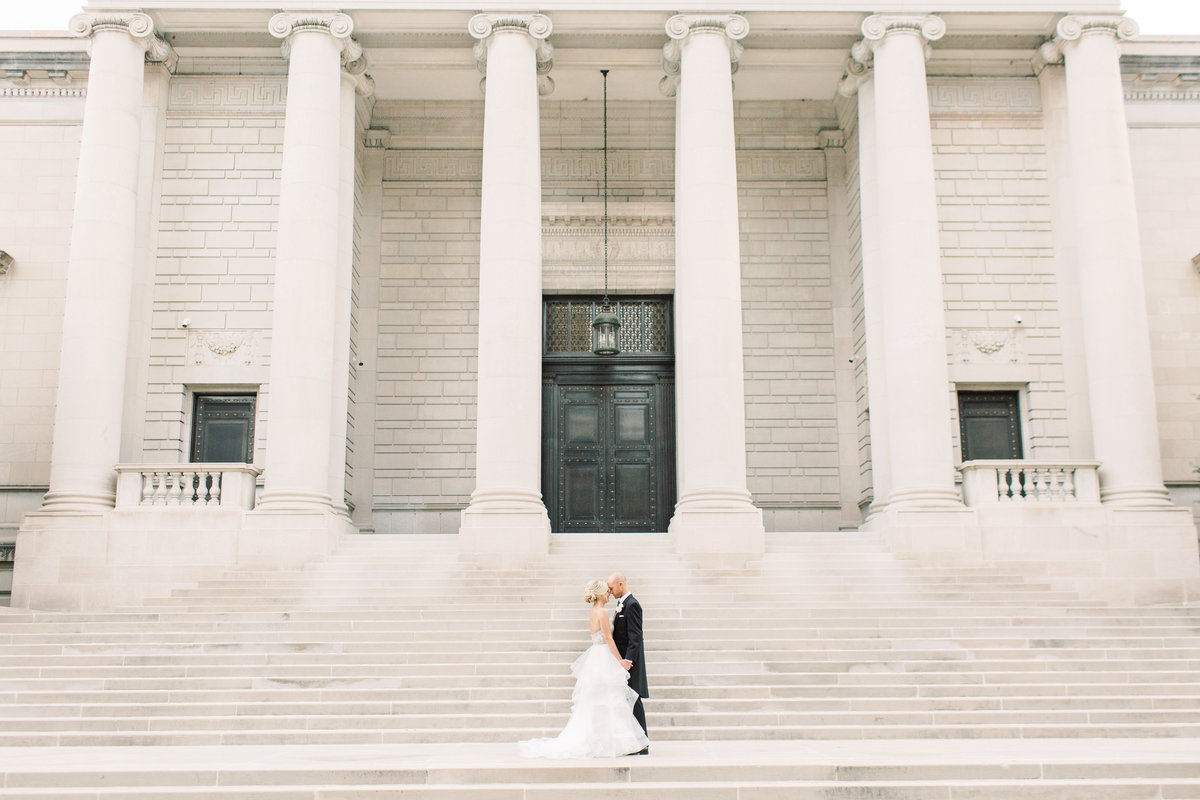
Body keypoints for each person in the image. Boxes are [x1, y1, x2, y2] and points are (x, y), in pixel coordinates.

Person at [518, 578, 650, 759]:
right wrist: (620, 661)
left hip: (596, 655)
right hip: (603, 655)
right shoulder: (602, 612)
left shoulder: (594, 611)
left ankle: (603, 740)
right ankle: (612, 741)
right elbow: (608, 638)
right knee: (609, 699)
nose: (609, 593)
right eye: (607, 591)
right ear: (601, 593)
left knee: (600, 700)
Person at [607, 571, 649, 753]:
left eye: (611, 587)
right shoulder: (621, 605)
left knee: (634, 701)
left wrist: (628, 661)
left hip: (630, 664)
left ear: (621, 584)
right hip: (623, 663)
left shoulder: (632, 605)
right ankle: (636, 742)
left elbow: (636, 637)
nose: (610, 591)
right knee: (628, 702)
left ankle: (643, 744)